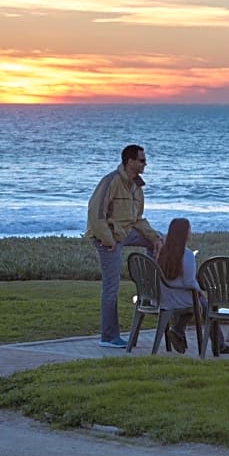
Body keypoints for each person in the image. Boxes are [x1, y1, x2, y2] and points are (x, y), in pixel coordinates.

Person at [86, 144, 162, 348]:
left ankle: (151, 289)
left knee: (159, 241)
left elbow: (137, 219)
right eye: (142, 160)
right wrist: (108, 240)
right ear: (130, 161)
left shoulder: (137, 187)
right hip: (108, 237)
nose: (145, 164)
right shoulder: (110, 181)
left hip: (126, 232)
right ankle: (108, 337)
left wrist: (154, 238)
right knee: (111, 287)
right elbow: (95, 213)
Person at [157, 218, 229, 355]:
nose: (191, 232)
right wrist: (199, 291)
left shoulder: (163, 251)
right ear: (184, 233)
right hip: (181, 298)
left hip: (165, 297)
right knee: (206, 306)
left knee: (198, 304)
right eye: (189, 229)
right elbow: (189, 282)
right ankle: (219, 345)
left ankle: (178, 331)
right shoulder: (186, 255)